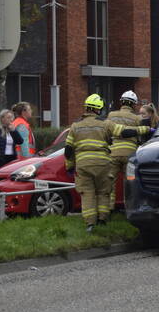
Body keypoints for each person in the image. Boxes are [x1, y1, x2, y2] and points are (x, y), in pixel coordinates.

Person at [64, 94, 149, 232]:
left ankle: (90, 224)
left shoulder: (75, 126)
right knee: (104, 192)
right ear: (98, 109)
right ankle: (103, 219)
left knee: (87, 193)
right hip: (102, 164)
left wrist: (69, 165)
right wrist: (145, 129)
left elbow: (68, 150)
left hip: (83, 165)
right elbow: (124, 132)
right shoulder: (105, 124)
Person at [106, 90, 143, 206]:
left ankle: (108, 208)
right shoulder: (137, 119)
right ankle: (129, 207)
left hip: (113, 154)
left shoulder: (111, 115)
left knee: (110, 182)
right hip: (130, 156)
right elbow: (140, 137)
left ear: (121, 102)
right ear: (133, 104)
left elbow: (107, 133)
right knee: (130, 181)